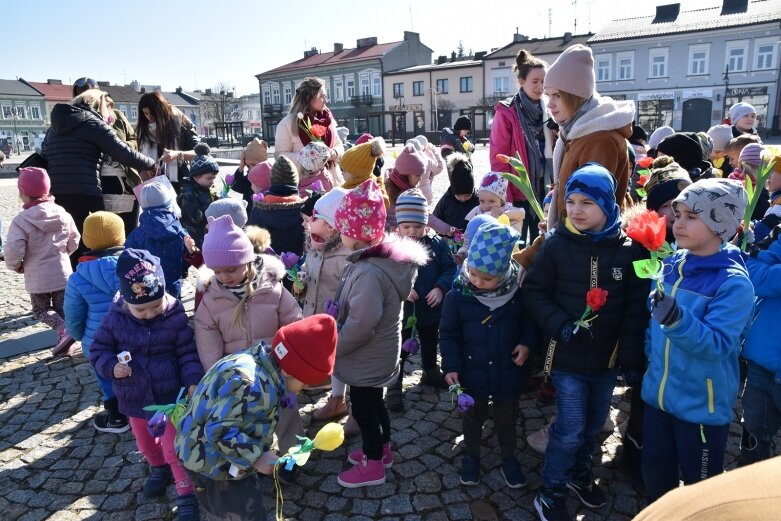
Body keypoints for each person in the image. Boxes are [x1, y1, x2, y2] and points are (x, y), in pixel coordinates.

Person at [523, 164, 649, 519]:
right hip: (568, 359)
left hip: (606, 362)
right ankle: (551, 490)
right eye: (571, 201)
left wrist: (631, 359)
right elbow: (534, 293)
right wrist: (561, 326)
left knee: (594, 426)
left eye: (586, 203)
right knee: (570, 426)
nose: (575, 210)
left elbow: (635, 310)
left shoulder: (629, 251)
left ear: (608, 205)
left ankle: (579, 472)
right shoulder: (557, 246)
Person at [641, 178, 754, 503]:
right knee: (655, 474)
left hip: (701, 410)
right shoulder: (672, 265)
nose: (679, 222)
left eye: (693, 216)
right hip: (658, 400)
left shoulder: (733, 285)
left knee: (699, 491)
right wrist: (649, 357)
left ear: (721, 225)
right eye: (678, 214)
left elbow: (717, 345)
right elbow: (655, 326)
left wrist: (676, 319)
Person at [175, 315, 337, 520]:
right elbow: (219, 429)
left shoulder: (257, 360)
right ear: (289, 370)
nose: (303, 389)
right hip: (213, 465)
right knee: (242, 513)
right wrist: (257, 456)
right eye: (304, 383)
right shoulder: (253, 387)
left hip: (213, 454)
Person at [89, 249, 203, 520]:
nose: (150, 313)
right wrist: (111, 368)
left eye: (156, 305)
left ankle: (186, 492)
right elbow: (98, 350)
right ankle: (157, 467)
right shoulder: (115, 318)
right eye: (142, 309)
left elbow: (187, 352)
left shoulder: (174, 315)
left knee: (174, 445)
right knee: (145, 442)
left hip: (169, 398)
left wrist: (192, 380)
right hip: (134, 396)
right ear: (127, 302)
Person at [331, 179, 428, 488]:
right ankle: (383, 451)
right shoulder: (376, 262)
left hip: (365, 355)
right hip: (379, 352)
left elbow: (362, 323)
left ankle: (373, 464)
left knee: (364, 408)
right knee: (376, 404)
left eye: (342, 228)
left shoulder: (369, 271)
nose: (339, 233)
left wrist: (336, 346)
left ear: (355, 233)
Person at [193, 215, 304, 482]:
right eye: (217, 271)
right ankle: (258, 459)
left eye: (230, 269)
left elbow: (293, 323)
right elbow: (208, 344)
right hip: (240, 381)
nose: (224, 277)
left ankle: (294, 456)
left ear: (246, 260)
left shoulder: (272, 289)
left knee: (287, 415)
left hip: (276, 370)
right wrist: (219, 376)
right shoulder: (211, 300)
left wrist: (291, 365)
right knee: (248, 421)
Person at [440, 221, 531, 489]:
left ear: (503, 274)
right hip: (471, 369)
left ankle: (508, 456)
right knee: (472, 417)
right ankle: (471, 455)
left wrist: (526, 343)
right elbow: (449, 334)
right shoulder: (459, 294)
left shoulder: (517, 294)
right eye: (474, 274)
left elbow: (530, 323)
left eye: (487, 278)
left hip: (507, 369)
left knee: (507, 416)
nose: (478, 282)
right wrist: (451, 365)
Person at [41, 89, 155, 267]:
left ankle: (76, 284)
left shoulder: (53, 128)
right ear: (99, 104)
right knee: (96, 240)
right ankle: (98, 283)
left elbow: (45, 153)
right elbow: (122, 152)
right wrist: (151, 164)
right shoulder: (91, 122)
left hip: (58, 194)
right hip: (85, 192)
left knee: (71, 241)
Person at [542, 44, 635, 231]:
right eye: (548, 95)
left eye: (557, 95)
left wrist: (551, 243)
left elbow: (588, 216)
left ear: (576, 95)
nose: (550, 104)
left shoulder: (598, 140)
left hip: (587, 251)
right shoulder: (575, 133)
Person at [385, 189, 457, 411]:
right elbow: (386, 276)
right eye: (407, 227)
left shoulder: (437, 245)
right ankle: (394, 385)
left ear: (426, 225)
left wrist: (440, 288)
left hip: (431, 308)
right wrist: (402, 290)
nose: (413, 232)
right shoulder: (392, 249)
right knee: (400, 348)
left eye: (418, 226)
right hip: (403, 312)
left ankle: (430, 371)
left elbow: (449, 268)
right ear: (398, 227)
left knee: (429, 340)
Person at [64, 212, 129, 433]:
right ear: (121, 237)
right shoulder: (135, 266)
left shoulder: (78, 277)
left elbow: (73, 316)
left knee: (107, 377)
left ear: (87, 240)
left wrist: (80, 335)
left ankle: (118, 417)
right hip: (134, 335)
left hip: (99, 342)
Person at [4, 167, 80, 356]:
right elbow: (75, 238)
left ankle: (64, 332)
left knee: (41, 310)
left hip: (38, 277)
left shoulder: (21, 221)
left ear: (23, 193)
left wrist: (16, 265)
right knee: (62, 309)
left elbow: (13, 249)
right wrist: (65, 254)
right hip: (62, 273)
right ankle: (66, 340)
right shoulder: (62, 212)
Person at [300, 188, 358, 433]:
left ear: (336, 227)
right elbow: (309, 265)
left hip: (341, 319)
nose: (311, 224)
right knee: (333, 360)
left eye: (318, 220)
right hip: (317, 314)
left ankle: (356, 408)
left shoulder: (348, 254)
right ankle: (337, 399)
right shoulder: (315, 245)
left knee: (348, 361)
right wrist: (301, 278)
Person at [490, 49, 553, 242]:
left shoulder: (550, 109)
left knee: (543, 241)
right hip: (518, 191)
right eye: (535, 81)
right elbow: (499, 157)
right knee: (517, 242)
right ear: (522, 81)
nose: (540, 87)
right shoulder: (507, 112)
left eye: (544, 81)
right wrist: (504, 195)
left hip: (546, 188)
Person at [275, 77, 345, 185]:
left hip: (332, 183)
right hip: (304, 186)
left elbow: (340, 146)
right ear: (309, 98)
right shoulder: (287, 123)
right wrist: (308, 157)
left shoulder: (328, 120)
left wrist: (333, 153)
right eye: (321, 96)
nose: (326, 100)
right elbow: (280, 157)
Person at [125, 182, 189, 300]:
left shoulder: (135, 235)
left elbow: (128, 260)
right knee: (173, 313)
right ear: (169, 204)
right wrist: (183, 270)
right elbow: (188, 256)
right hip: (173, 285)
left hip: (145, 290)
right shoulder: (180, 232)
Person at [136, 91, 200, 193]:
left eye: (153, 114)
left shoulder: (181, 122)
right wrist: (147, 169)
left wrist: (178, 154)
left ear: (162, 111)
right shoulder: (144, 129)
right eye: (146, 113)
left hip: (180, 184)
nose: (149, 117)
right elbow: (139, 159)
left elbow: (199, 153)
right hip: (153, 186)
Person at [100, 95, 144, 236]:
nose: (104, 108)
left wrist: (122, 147)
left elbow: (134, 139)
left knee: (129, 225)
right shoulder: (91, 120)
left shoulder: (118, 116)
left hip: (126, 177)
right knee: (109, 228)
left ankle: (129, 254)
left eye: (107, 104)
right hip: (101, 180)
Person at [248, 155, 307, 258]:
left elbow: (251, 244)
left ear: (272, 181)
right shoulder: (305, 210)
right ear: (295, 182)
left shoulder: (259, 209)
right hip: (298, 269)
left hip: (267, 267)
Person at [178, 143, 219, 248]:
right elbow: (196, 217)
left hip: (207, 233)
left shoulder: (207, 188)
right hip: (195, 236)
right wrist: (214, 207)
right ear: (196, 177)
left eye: (214, 178)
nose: (212, 181)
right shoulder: (188, 194)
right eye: (209, 178)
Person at [432, 153, 479, 233]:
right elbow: (435, 219)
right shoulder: (447, 199)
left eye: (468, 195)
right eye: (458, 195)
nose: (463, 199)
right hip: (449, 239)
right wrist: (444, 233)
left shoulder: (478, 200)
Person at [384, 145, 427, 229]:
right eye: (418, 175)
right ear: (406, 175)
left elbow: (425, 214)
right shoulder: (385, 192)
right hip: (390, 237)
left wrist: (447, 229)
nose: (421, 178)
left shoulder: (413, 191)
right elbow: (377, 217)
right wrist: (391, 229)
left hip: (406, 235)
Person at [227, 138, 269, 208]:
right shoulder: (248, 177)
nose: (254, 168)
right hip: (249, 214)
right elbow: (238, 187)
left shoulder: (268, 177)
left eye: (255, 164)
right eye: (250, 165)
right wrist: (241, 167)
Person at [414, 135, 445, 205]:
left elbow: (439, 167)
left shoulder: (430, 152)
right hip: (425, 188)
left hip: (424, 186)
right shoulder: (429, 153)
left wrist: (430, 173)